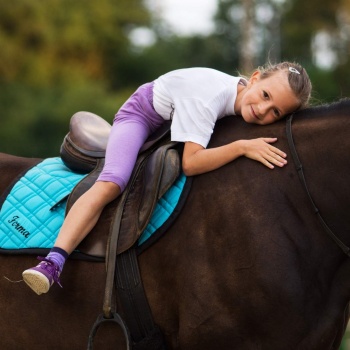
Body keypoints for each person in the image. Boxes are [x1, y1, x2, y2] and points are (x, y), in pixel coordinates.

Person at [22, 61, 312, 295]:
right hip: (143, 117)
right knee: (114, 180)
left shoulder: (241, 99)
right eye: (265, 96)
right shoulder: (209, 96)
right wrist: (242, 147)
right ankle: (53, 261)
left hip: (172, 121)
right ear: (255, 77)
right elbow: (191, 163)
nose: (263, 110)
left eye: (275, 111)